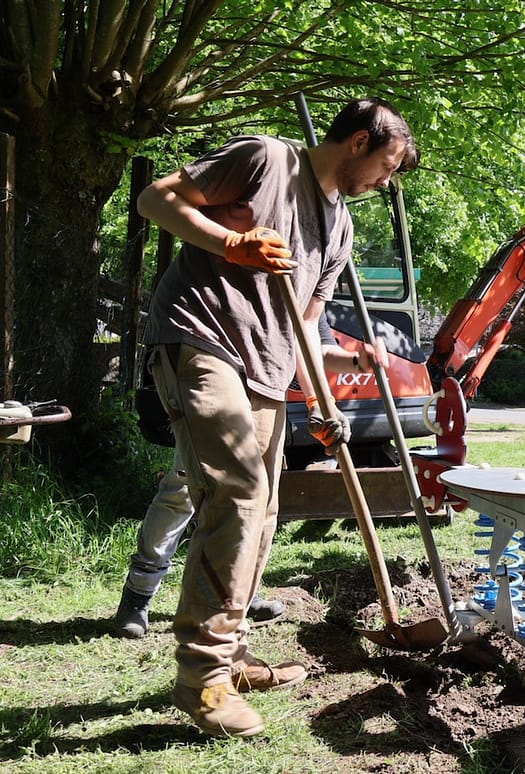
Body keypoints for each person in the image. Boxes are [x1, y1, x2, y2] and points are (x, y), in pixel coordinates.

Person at [138, 97, 418, 737]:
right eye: (386, 164)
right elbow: (155, 199)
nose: (386, 181)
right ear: (356, 142)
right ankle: (203, 678)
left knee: (264, 510)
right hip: (201, 338)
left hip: (267, 365)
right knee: (236, 494)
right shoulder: (266, 159)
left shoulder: (340, 224)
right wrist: (231, 242)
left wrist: (322, 403)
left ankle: (233, 654)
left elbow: (308, 326)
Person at [114, 321, 387, 639]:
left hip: (265, 391)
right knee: (186, 487)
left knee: (261, 496)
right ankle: (139, 592)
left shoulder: (307, 282)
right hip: (216, 376)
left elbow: (312, 344)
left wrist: (355, 362)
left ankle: (240, 592)